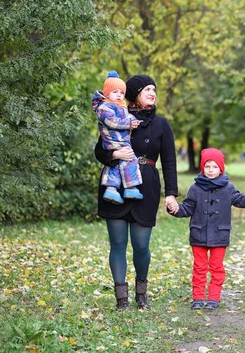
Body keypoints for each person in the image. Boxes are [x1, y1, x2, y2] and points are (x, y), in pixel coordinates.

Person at [94, 74, 179, 311]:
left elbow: (170, 162)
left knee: (141, 245)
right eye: (147, 89)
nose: (153, 93)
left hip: (146, 186)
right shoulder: (114, 115)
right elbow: (99, 149)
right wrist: (114, 155)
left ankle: (141, 294)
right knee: (118, 243)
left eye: (154, 89)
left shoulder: (161, 124)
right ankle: (121, 298)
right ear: (135, 94)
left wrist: (171, 194)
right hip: (116, 185)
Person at [168, 148, 245, 310]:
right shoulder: (195, 188)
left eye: (214, 166)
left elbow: (242, 201)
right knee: (199, 267)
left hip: (220, 234)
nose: (211, 170)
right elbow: (187, 208)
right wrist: (175, 208)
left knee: (216, 267)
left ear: (221, 168)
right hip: (198, 233)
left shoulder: (228, 188)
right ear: (202, 168)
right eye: (207, 167)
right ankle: (197, 298)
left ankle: (213, 298)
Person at [92, 71, 143, 205]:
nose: (119, 95)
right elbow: (111, 121)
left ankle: (111, 189)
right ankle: (131, 187)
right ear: (107, 93)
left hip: (120, 140)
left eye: (121, 92)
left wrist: (133, 120)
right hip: (113, 140)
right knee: (130, 159)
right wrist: (128, 123)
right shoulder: (104, 107)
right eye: (115, 92)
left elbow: (126, 117)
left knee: (116, 164)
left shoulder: (120, 107)